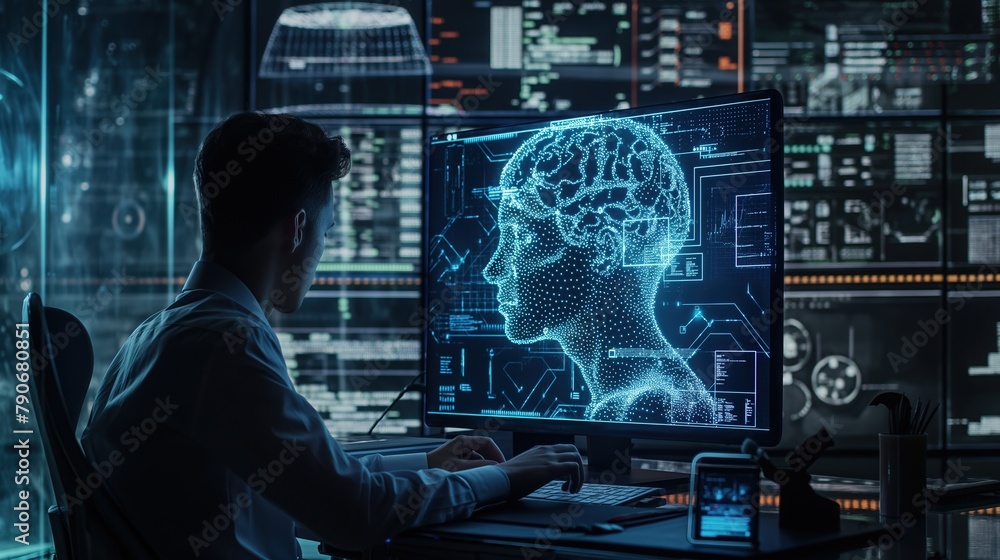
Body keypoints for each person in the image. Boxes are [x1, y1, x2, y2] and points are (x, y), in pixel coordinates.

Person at [82, 112, 583, 559]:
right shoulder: (225, 344)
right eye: (326, 232)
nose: (321, 252)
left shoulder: (154, 338)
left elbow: (305, 475)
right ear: (297, 229)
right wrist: (505, 477)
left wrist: (431, 460)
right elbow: (354, 514)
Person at [482, 119, 716, 424]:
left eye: (522, 238)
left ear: (604, 250)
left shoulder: (643, 407)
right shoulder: (634, 396)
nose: (493, 270)